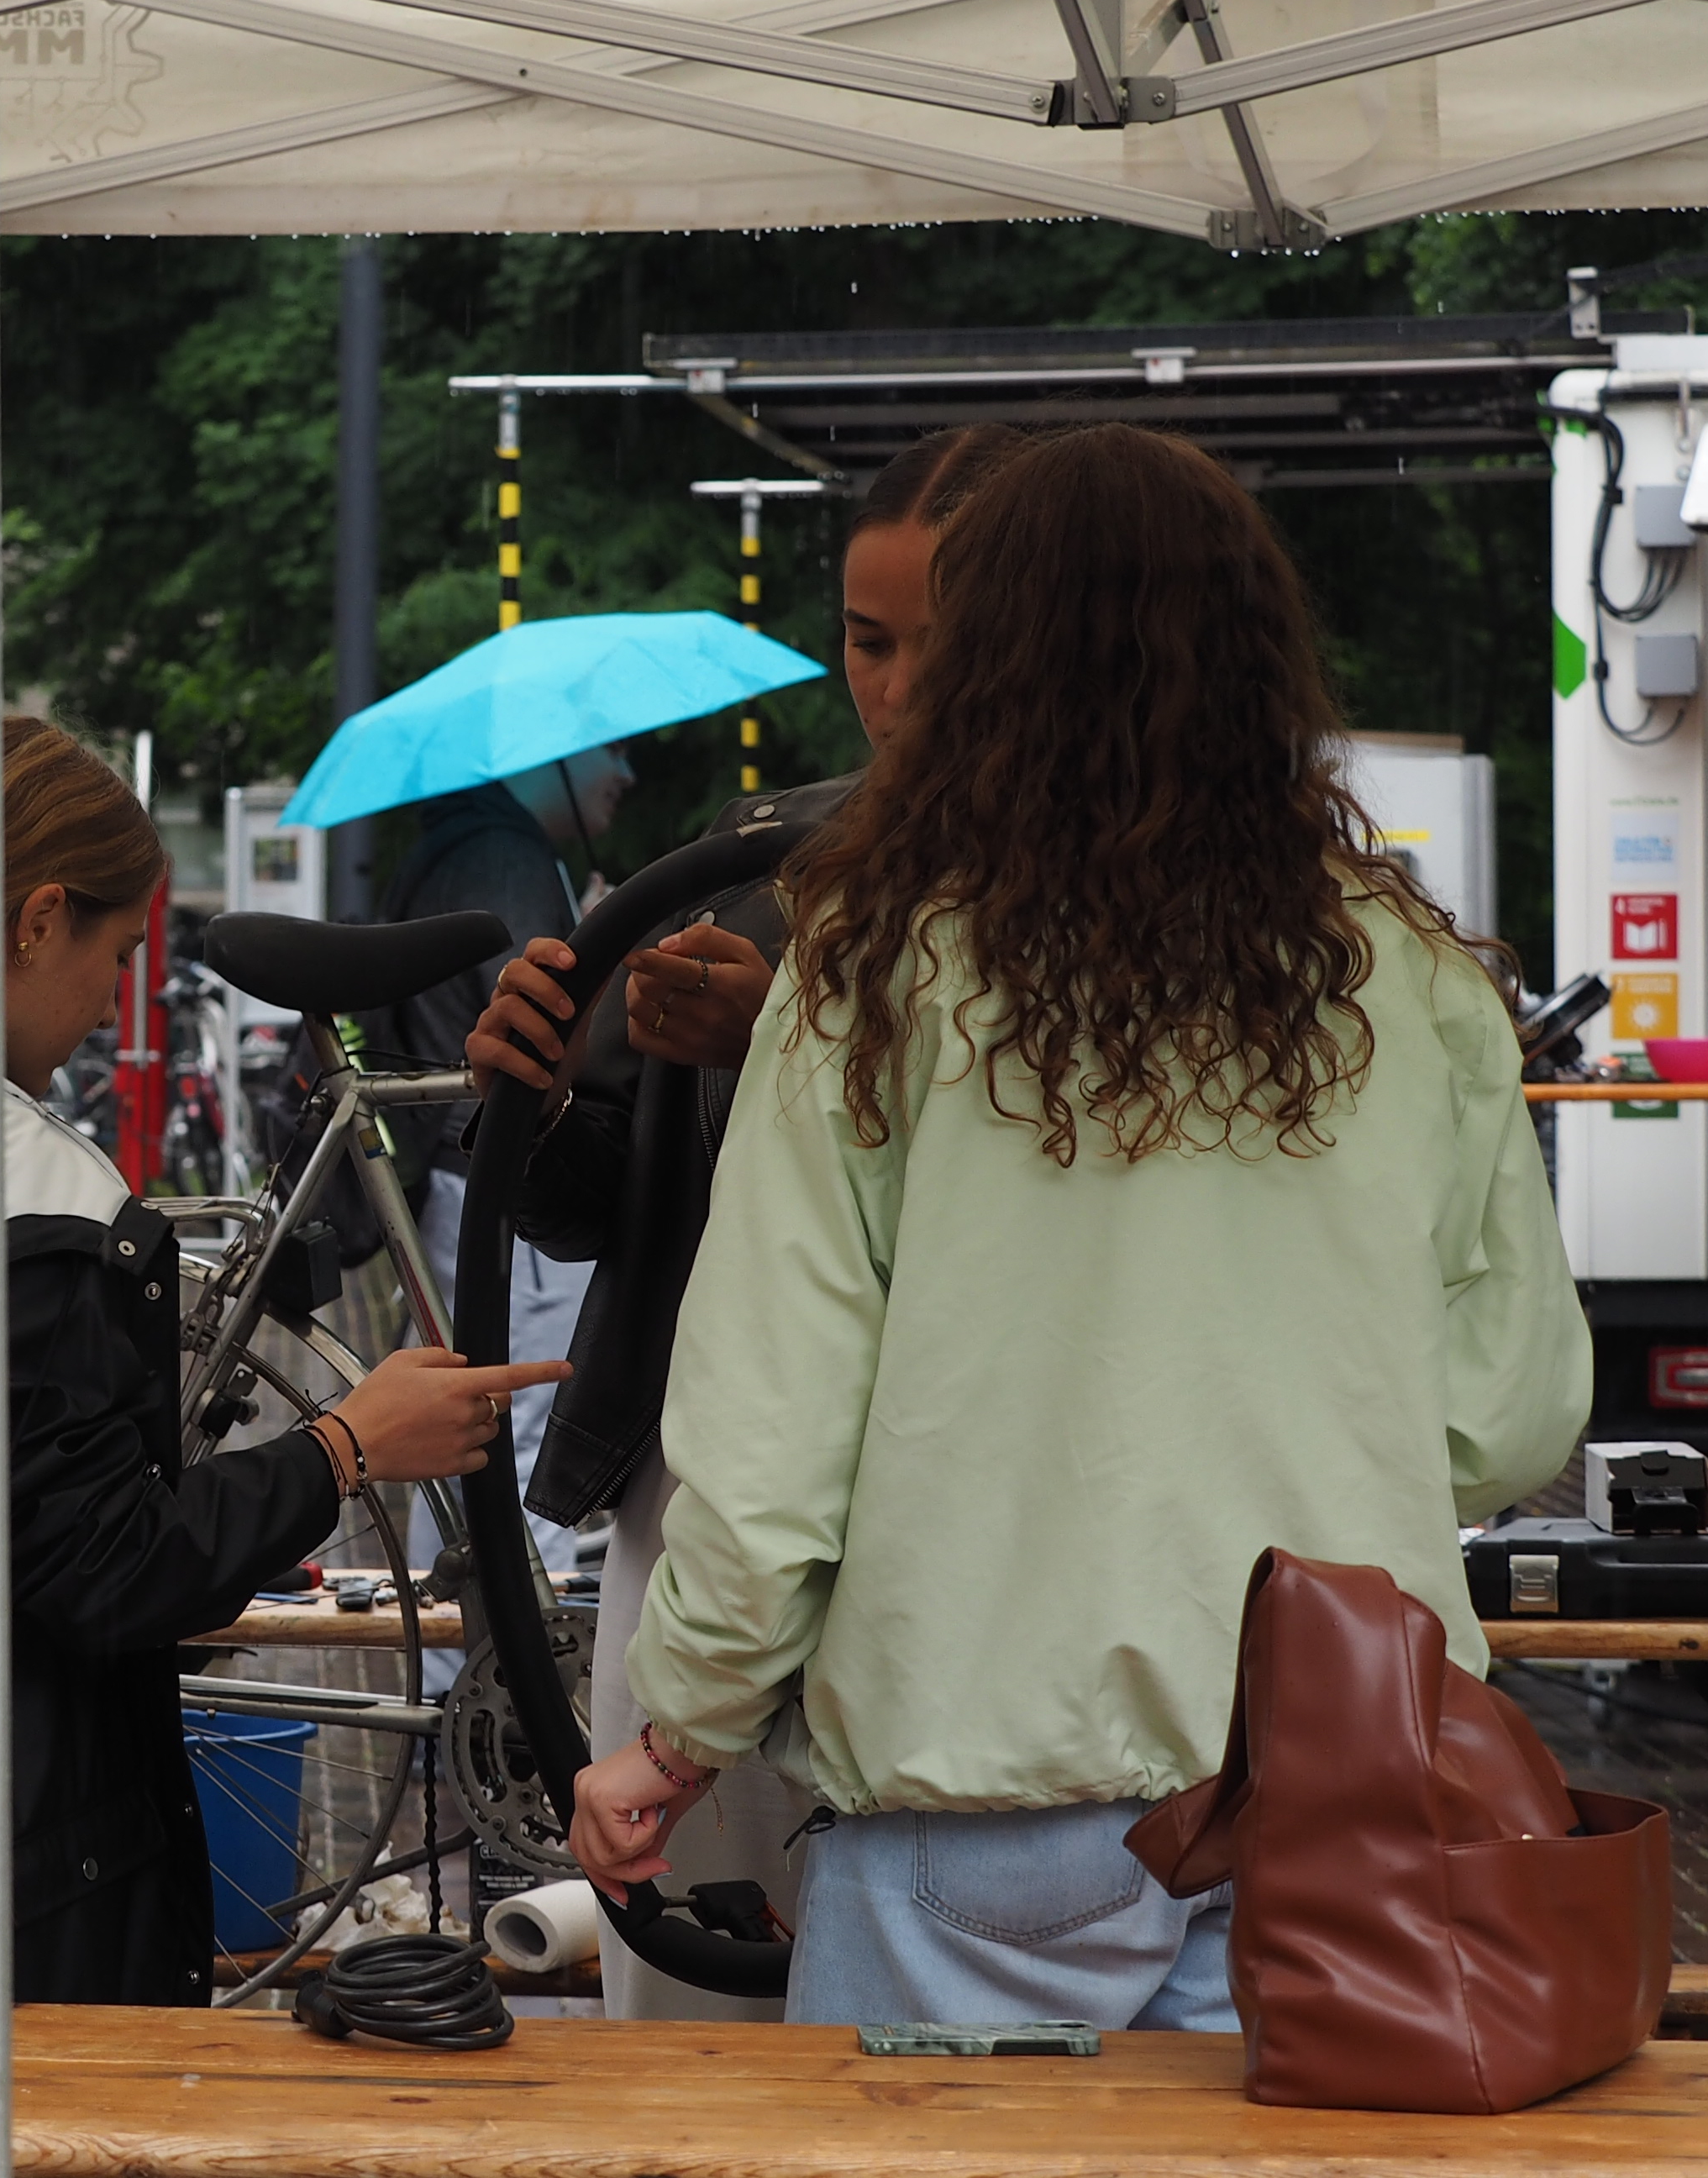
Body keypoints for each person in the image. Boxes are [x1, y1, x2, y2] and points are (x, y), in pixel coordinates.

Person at [560, 424, 1590, 2028]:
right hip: (1342, 1783)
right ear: (1259, 658)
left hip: (977, 1791)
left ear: (982, 660)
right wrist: (1292, 1467)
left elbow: (770, 1436)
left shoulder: (868, 975)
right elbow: (1511, 1409)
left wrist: (676, 1732)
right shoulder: (1416, 979)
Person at [458, 424, 1016, 2018]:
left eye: (940, 642)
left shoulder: (1107, 906)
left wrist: (789, 1034)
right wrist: (533, 1094)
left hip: (959, 1516)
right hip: (715, 1487)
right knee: (697, 1989)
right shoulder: (763, 858)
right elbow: (613, 1205)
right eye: (866, 640)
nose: (896, 688)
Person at [0, 712, 570, 2002]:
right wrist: (347, 1448)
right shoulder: (27, 1190)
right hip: (23, 1899)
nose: (114, 1002)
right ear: (36, 921)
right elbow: (105, 1566)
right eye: (115, 953)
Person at [368, 742, 633, 1708]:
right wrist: (611, 955)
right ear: (549, 756)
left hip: (458, 1179)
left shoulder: (462, 843)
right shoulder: (508, 859)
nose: (628, 774)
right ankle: (512, 1706)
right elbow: (550, 1030)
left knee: (469, 1438)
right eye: (613, 749)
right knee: (521, 1444)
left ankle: (466, 1694)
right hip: (507, 1192)